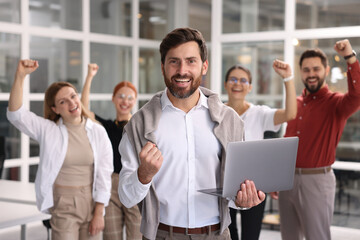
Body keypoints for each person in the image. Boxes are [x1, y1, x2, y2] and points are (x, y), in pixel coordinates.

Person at [118, 27, 265, 240]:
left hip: (217, 235)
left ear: (204, 66)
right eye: (174, 61)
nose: (182, 70)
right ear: (162, 67)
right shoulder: (139, 124)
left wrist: (242, 201)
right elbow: (126, 197)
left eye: (191, 61)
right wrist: (144, 175)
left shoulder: (230, 120)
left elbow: (235, 190)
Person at [7, 60, 113, 240]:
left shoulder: (98, 131)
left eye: (73, 96)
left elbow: (104, 172)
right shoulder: (49, 130)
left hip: (91, 201)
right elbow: (16, 114)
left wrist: (99, 212)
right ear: (55, 109)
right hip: (63, 204)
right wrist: (20, 76)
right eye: (63, 101)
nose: (72, 103)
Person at [272, 39, 360, 240]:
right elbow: (287, 140)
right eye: (306, 69)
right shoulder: (296, 104)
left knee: (317, 236)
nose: (311, 74)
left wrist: (349, 57)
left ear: (326, 70)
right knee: (288, 236)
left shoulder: (336, 103)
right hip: (287, 181)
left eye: (316, 69)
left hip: (317, 181)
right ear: (300, 72)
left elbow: (357, 95)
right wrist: (277, 176)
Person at [225, 60, 297, 240]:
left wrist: (288, 78)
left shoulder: (259, 113)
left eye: (243, 81)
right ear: (226, 84)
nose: (237, 84)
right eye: (233, 79)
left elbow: (290, 113)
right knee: (228, 235)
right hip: (224, 184)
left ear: (250, 87)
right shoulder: (217, 112)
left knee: (251, 236)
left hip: (255, 187)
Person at [81, 64, 142, 240]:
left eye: (130, 98)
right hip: (111, 184)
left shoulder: (139, 126)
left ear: (135, 101)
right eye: (121, 96)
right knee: (111, 236)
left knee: (137, 236)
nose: (125, 101)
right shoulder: (106, 127)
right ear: (113, 99)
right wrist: (90, 77)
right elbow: (84, 110)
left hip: (133, 182)